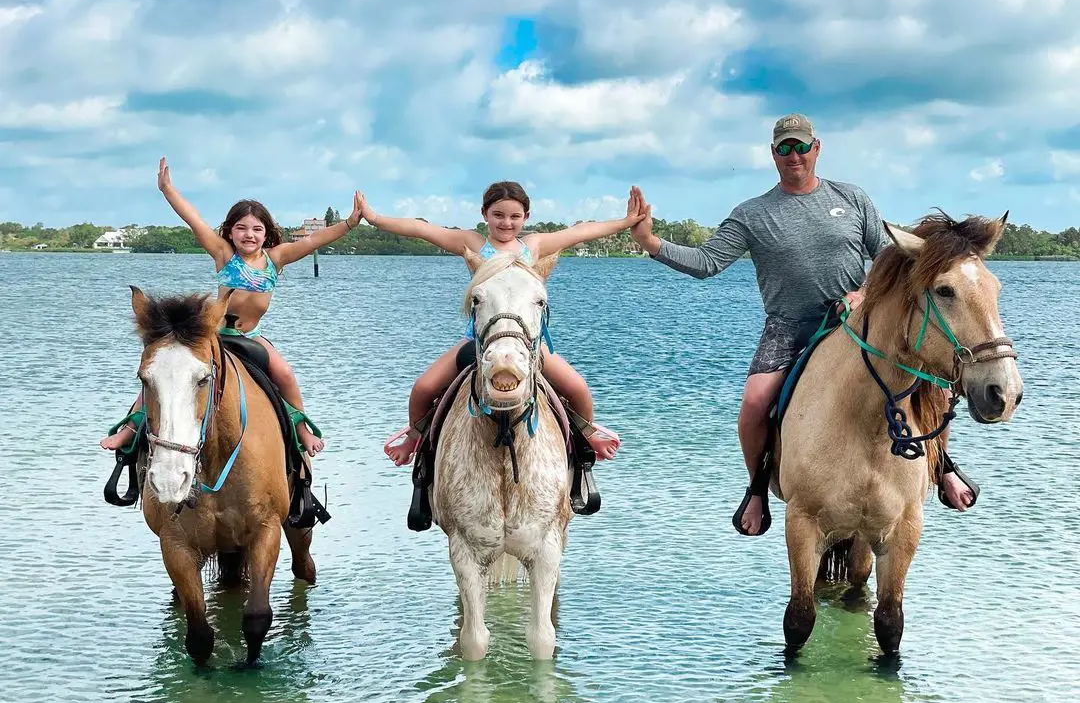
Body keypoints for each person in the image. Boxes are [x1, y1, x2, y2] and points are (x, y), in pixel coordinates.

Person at [630, 114, 978, 535]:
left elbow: (888, 260)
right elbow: (707, 263)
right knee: (755, 404)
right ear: (773, 154)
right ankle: (757, 486)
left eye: (800, 146)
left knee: (931, 381)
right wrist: (649, 242)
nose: (793, 155)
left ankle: (942, 466)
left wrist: (864, 295)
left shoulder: (850, 198)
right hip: (789, 325)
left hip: (857, 320)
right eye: (784, 148)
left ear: (817, 148)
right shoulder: (752, 214)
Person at [363, 181, 647, 466]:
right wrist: (374, 219)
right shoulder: (473, 243)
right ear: (484, 213)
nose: (506, 223)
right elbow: (421, 229)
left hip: (525, 342)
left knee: (578, 388)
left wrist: (625, 222)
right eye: (498, 215)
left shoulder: (533, 246)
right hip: (478, 340)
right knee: (424, 388)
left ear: (526, 217)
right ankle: (414, 437)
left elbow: (579, 232)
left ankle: (586, 436)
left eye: (515, 216)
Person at [101, 156, 363, 458]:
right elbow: (195, 221)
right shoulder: (224, 255)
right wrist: (167, 190)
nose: (249, 235)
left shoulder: (275, 259)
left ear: (266, 234)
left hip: (252, 336)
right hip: (214, 334)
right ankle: (131, 429)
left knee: (286, 375)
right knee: (168, 372)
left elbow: (314, 240)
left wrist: (350, 223)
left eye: (256, 229)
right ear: (229, 231)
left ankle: (300, 427)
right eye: (241, 228)